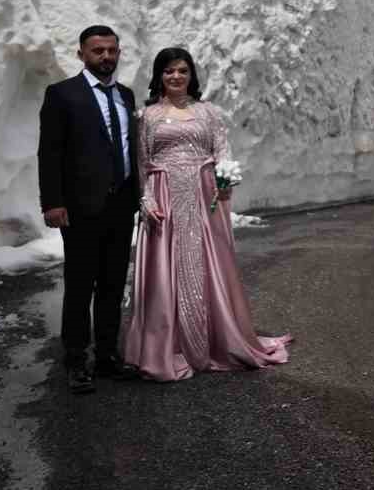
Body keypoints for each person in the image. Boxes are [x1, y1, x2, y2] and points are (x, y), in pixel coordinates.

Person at [121, 46, 291, 379]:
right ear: (159, 76)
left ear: (191, 75)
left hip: (203, 195)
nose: (176, 76)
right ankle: (168, 345)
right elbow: (141, 163)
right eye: (168, 71)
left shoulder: (209, 112)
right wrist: (145, 201)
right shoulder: (147, 117)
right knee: (164, 271)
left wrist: (226, 179)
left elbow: (222, 152)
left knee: (209, 265)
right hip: (164, 196)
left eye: (182, 70)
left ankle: (216, 339)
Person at [38, 25, 142, 394]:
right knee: (81, 285)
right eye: (98, 51)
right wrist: (52, 202)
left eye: (112, 50)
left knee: (113, 285)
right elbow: (50, 153)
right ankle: (76, 359)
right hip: (82, 207)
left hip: (120, 206)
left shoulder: (126, 96)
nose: (106, 57)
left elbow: (131, 150)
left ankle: (107, 355)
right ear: (81, 53)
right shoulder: (62, 95)